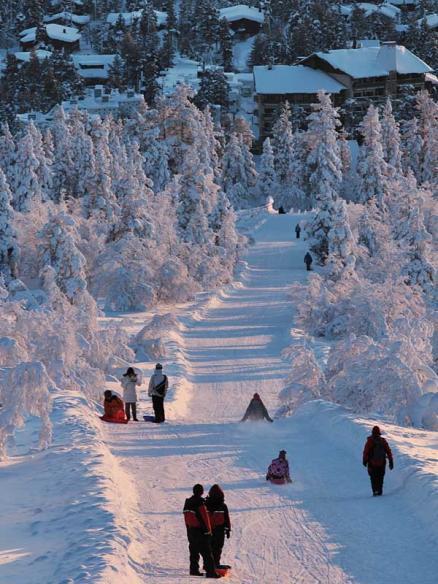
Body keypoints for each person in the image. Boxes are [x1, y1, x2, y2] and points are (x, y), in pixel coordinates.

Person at [183, 484, 221, 579]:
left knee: (194, 551)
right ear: (201, 492)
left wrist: (188, 529)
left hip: (190, 530)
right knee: (207, 553)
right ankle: (211, 572)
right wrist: (208, 531)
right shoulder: (200, 503)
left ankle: (194, 569)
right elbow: (205, 518)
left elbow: (186, 517)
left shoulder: (187, 502)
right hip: (200, 531)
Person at [205, 485, 231, 570]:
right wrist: (228, 529)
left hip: (208, 529)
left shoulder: (206, 504)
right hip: (219, 529)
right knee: (217, 547)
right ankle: (215, 563)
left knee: (209, 547)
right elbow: (226, 518)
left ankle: (208, 564)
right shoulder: (222, 505)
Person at [363, 425, 394, 496]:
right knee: (380, 477)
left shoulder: (370, 441)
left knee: (373, 477)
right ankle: (379, 491)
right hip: (382, 462)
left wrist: (364, 461)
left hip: (372, 463)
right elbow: (388, 451)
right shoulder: (383, 441)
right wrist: (391, 461)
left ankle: (375, 491)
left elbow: (366, 451)